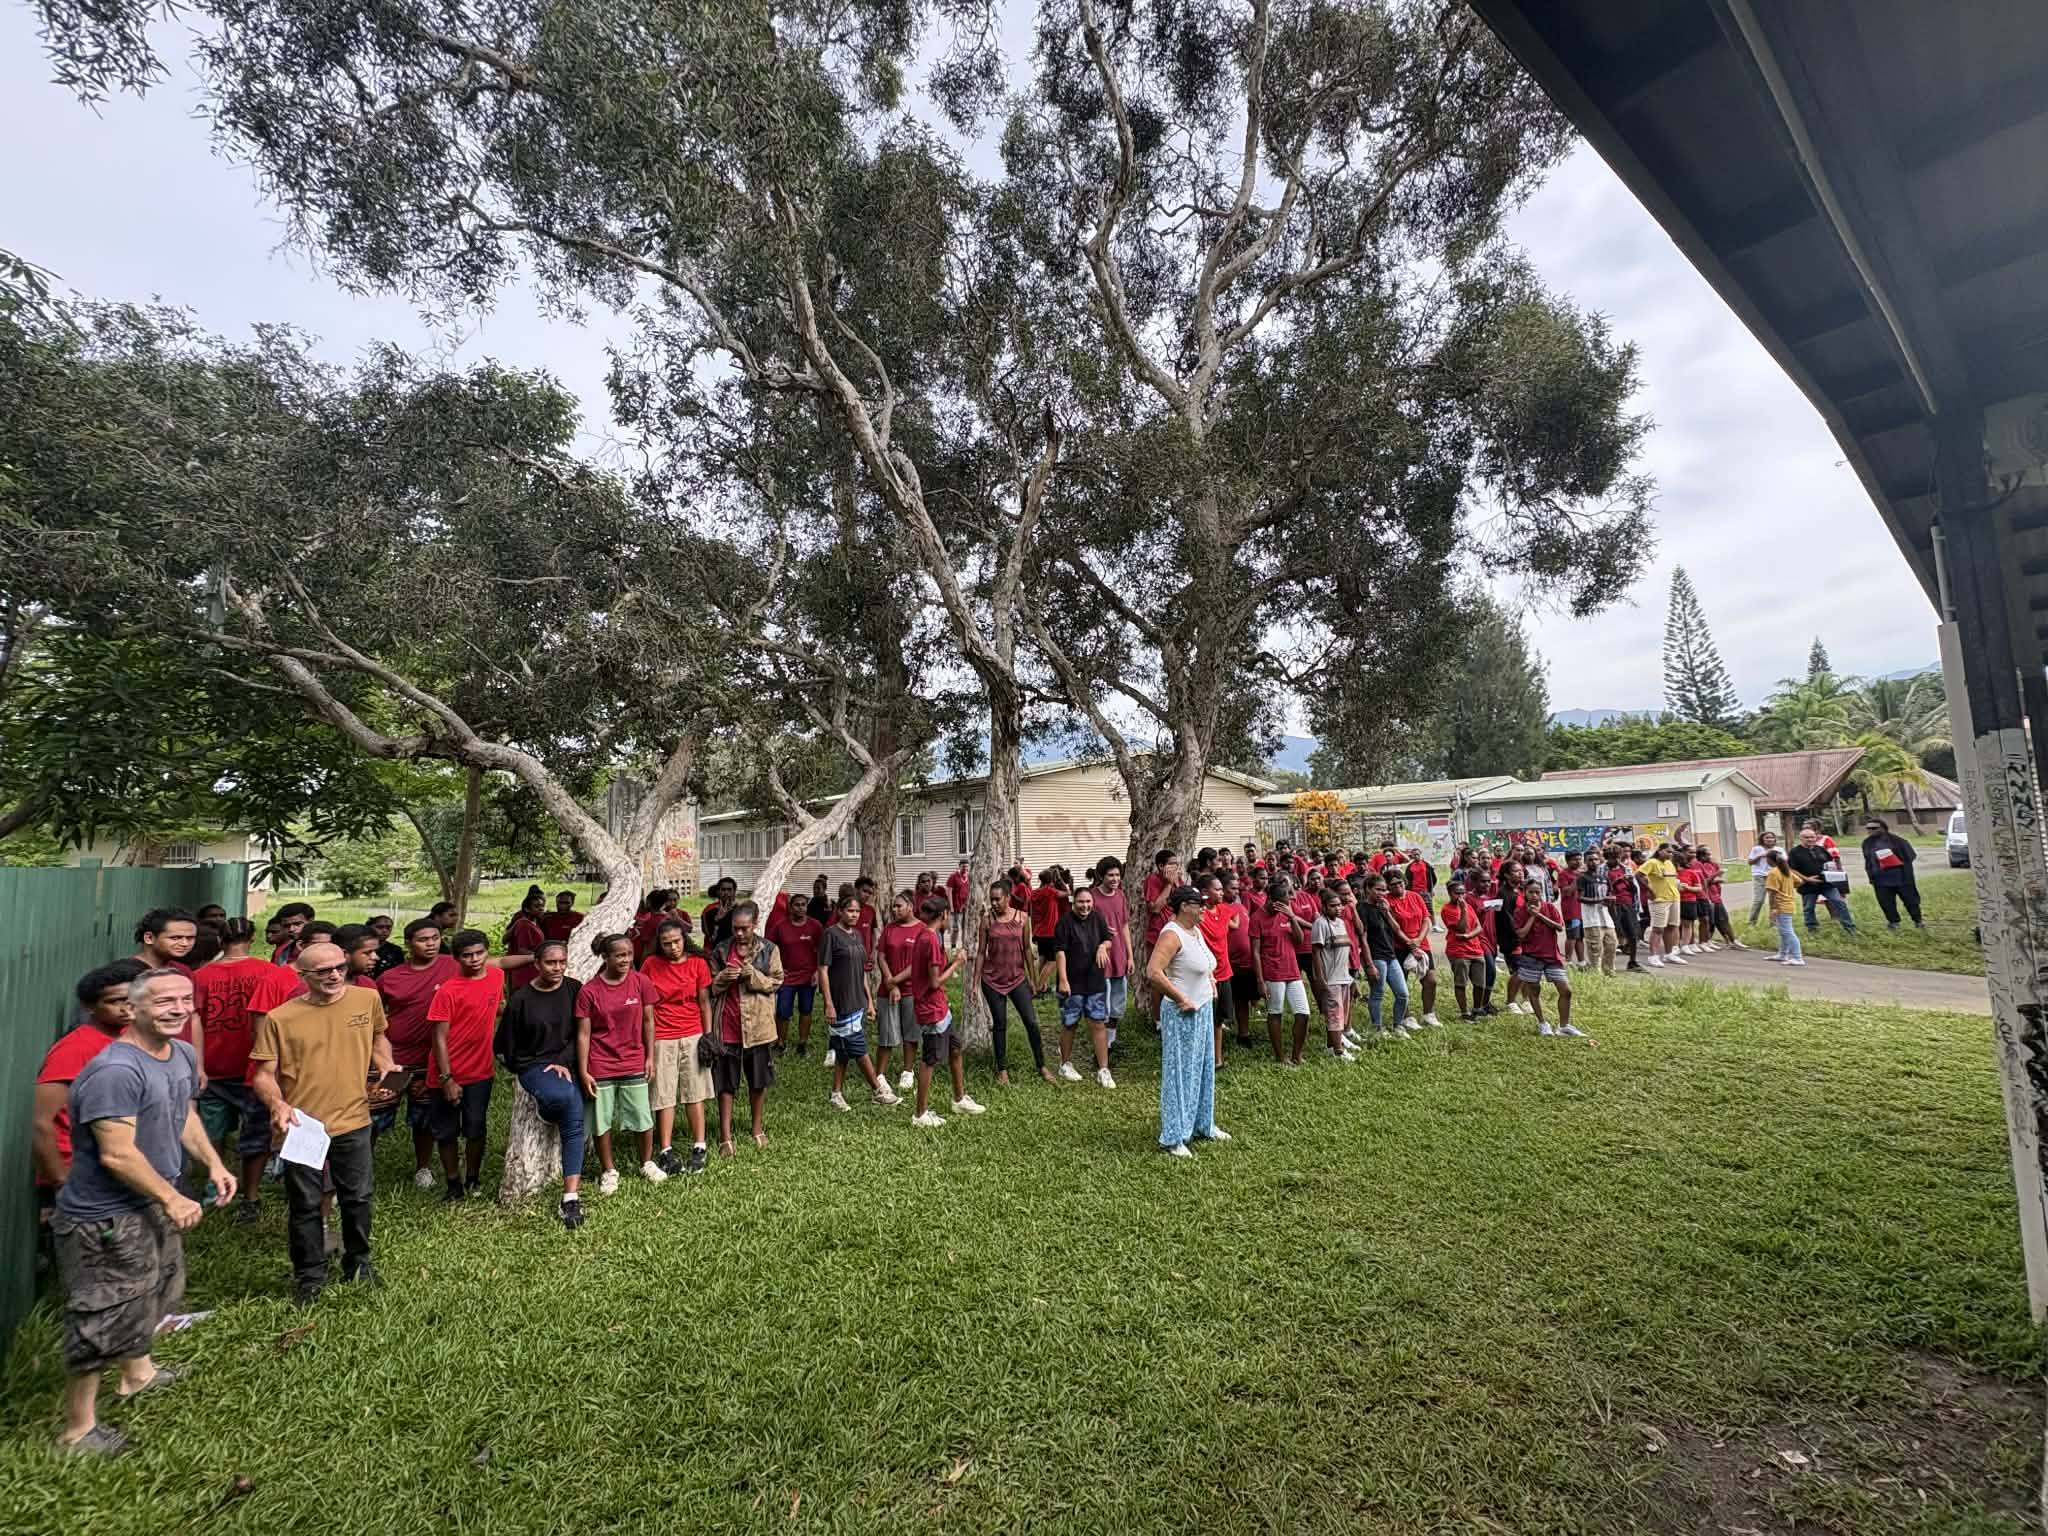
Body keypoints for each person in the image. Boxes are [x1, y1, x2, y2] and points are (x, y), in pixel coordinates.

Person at [50, 966, 231, 1455]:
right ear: (133, 1009)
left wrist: (214, 1163)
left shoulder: (180, 1053)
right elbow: (116, 1154)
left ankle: (138, 1375)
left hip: (151, 1200)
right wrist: (172, 1197)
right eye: (164, 1001)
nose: (179, 1009)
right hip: (105, 1217)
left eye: (185, 999)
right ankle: (77, 1431)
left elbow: (182, 1113)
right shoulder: (115, 1071)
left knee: (150, 1290)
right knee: (101, 1312)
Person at [248, 943, 395, 1306]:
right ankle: (309, 1276)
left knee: (358, 1197)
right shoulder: (280, 1018)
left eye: (340, 967)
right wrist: (277, 1103)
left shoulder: (366, 1000)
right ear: (303, 976)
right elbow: (263, 1075)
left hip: (354, 1117)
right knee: (306, 1204)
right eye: (323, 971)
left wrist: (386, 1066)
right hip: (303, 1125)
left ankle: (358, 1262)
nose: (334, 975)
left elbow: (379, 1039)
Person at [190, 919, 289, 1223]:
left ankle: (215, 1186)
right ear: (252, 938)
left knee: (213, 1132)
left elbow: (194, 1021)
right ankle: (251, 1194)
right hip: (255, 1067)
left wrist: (198, 1064)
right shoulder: (268, 972)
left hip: (213, 1064)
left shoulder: (200, 976)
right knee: (256, 1132)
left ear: (220, 940)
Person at [494, 941, 590, 1227]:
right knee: (565, 1097)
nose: (557, 968)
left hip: (568, 1059)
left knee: (574, 1117)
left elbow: (582, 1032)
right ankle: (547, 1106)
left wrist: (563, 1060)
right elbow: (505, 1047)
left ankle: (570, 1197)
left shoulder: (574, 989)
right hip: (534, 1066)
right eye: (550, 962)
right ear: (537, 964)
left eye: (562, 962)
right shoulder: (521, 999)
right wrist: (527, 1070)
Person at [34, 962, 146, 1206]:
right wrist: (61, 1180)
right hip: (78, 1174)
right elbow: (42, 1122)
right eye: (115, 1001)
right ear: (89, 1007)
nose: (126, 1008)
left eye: (132, 999)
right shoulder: (76, 1049)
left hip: (116, 1166)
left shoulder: (130, 1037)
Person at [423, 930, 509, 1201]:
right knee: (446, 1132)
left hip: (480, 1071)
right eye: (467, 955)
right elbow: (438, 1038)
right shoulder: (448, 991)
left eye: (479, 953)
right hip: (446, 1072)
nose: (474, 959)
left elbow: (495, 1005)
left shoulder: (496, 976)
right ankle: (453, 1183)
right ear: (457, 958)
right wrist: (447, 1078)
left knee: (476, 1128)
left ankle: (473, 1178)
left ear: (487, 952)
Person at [574, 932, 663, 1188]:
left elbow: (649, 1021)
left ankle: (647, 1162)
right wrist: (583, 1071)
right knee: (601, 1121)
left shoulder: (641, 982)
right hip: (601, 1064)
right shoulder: (589, 991)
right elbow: (583, 1034)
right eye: (619, 955)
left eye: (629, 954)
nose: (625, 960)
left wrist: (650, 1057)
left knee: (642, 1115)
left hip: (634, 1060)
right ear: (605, 957)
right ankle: (609, 1170)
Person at [1147, 886, 1226, 1159]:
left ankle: (1203, 1123)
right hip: (1182, 1013)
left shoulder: (1195, 930)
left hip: (1202, 1009)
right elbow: (1153, 972)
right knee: (1179, 1073)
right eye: (1198, 904)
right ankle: (1174, 1136)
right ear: (1183, 906)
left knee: (1203, 1068)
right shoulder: (1172, 934)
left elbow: (1204, 963)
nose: (1204, 908)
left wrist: (1211, 981)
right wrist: (1180, 998)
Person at [640, 919, 716, 1174]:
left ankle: (699, 1145)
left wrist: (708, 1036)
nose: (673, 947)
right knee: (664, 1094)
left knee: (694, 1092)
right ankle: (666, 1149)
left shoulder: (698, 963)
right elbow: (646, 1008)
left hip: (693, 1033)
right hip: (662, 1035)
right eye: (666, 943)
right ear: (659, 944)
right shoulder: (650, 965)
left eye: (676, 941)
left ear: (685, 939)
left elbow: (704, 1002)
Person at [708, 903, 783, 1151]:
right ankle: (725, 1136)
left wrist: (751, 974)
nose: (739, 933)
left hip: (758, 1026)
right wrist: (723, 978)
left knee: (757, 1081)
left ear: (755, 925)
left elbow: (776, 982)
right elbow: (709, 987)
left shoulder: (769, 949)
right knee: (726, 1083)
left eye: (745, 928)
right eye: (735, 928)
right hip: (727, 1024)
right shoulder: (721, 950)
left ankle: (757, 1129)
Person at [818, 892, 899, 1111]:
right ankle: (878, 1091)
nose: (854, 915)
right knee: (858, 1047)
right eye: (850, 911)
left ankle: (836, 1094)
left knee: (843, 1050)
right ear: (840, 911)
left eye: (857, 911)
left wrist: (869, 1000)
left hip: (857, 1001)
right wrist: (828, 1003)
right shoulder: (830, 935)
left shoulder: (857, 935)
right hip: (840, 1001)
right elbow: (823, 970)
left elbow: (861, 971)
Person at [906, 894, 979, 1127]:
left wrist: (951, 961)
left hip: (940, 1006)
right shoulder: (930, 940)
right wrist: (958, 963)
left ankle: (959, 1099)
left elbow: (932, 973)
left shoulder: (926, 935)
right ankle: (920, 1114)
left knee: (955, 1049)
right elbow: (935, 982)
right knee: (930, 1059)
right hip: (931, 1010)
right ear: (944, 915)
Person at [976, 878, 1048, 1086]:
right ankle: (1002, 1069)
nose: (994, 903)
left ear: (1008, 898)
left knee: (1031, 1022)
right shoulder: (987, 920)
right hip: (992, 980)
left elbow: (1027, 950)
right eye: (991, 899)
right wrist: (974, 983)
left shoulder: (1022, 918)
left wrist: (1033, 979)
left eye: (997, 899)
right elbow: (981, 952)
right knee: (1000, 1024)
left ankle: (1042, 1065)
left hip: (1017, 979)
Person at [1052, 881, 1116, 1088]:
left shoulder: (1098, 918)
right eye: (1081, 902)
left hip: (1095, 980)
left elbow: (1108, 939)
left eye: (1088, 901)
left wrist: (1103, 947)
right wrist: (1063, 980)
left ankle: (1103, 1069)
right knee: (1070, 1022)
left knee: (1098, 1022)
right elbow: (1060, 952)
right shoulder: (1064, 923)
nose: (1085, 906)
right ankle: (1065, 1064)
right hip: (1072, 982)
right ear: (1074, 902)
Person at [1251, 874, 1311, 1064]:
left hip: (1292, 970)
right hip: (1273, 972)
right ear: (1270, 900)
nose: (1286, 906)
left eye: (1287, 903)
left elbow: (1299, 940)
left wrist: (1292, 917)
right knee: (1275, 1013)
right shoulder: (1257, 918)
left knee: (1303, 1013)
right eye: (1282, 903)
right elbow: (1255, 952)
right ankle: (1280, 1056)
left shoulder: (1286, 913)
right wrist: (1260, 981)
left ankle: (1296, 1055)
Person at [1513, 881, 1585, 1037]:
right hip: (1531, 957)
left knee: (1566, 991)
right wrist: (1532, 917)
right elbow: (1521, 934)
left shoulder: (1550, 907)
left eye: (1537, 892)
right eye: (1531, 892)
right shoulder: (1519, 912)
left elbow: (1559, 927)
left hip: (1552, 955)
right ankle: (1542, 1023)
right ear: (1524, 893)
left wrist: (1538, 915)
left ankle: (1564, 1026)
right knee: (1534, 990)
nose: (1534, 895)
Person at [874, 891, 923, 1094]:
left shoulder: (922, 930)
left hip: (912, 990)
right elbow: (881, 956)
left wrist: (896, 980)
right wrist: (891, 984)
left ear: (910, 906)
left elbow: (918, 962)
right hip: (887, 991)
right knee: (886, 1033)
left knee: (911, 1034)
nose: (895, 909)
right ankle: (879, 1075)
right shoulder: (890, 928)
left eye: (899, 906)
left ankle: (908, 1071)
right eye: (893, 906)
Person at [767, 891, 824, 1057]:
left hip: (808, 977)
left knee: (806, 1010)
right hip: (787, 977)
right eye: (797, 905)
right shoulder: (781, 926)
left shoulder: (815, 926)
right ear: (790, 907)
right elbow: (769, 947)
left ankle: (802, 1043)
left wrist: (817, 971)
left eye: (803, 905)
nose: (800, 908)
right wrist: (776, 969)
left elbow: (822, 949)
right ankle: (780, 1043)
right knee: (783, 1011)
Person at [1197, 873, 1245, 1063]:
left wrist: (1233, 922)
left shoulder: (1224, 909)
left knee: (1218, 1020)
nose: (1221, 892)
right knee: (1203, 1019)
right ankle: (1202, 1058)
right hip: (1204, 976)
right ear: (1204, 892)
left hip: (1223, 972)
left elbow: (1234, 918)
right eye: (1217, 889)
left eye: (1221, 889)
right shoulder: (1198, 914)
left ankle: (1217, 1059)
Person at [1309, 886, 1360, 1062]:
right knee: (1334, 1015)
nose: (1338, 908)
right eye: (1333, 905)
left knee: (1341, 1014)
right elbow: (1316, 953)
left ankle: (1331, 1046)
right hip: (1330, 978)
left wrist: (1350, 978)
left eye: (1339, 905)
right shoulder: (1321, 924)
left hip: (1343, 976)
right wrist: (1320, 978)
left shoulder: (1341, 923)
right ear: (1324, 907)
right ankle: (1339, 1051)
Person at [1360, 875, 1412, 1040]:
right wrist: (1369, 964)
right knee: (1377, 993)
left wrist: (1387, 912)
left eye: (1384, 890)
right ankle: (1377, 1028)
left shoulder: (1383, 907)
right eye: (1378, 889)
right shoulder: (1362, 908)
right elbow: (1363, 938)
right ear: (1368, 889)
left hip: (1391, 955)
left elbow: (1396, 929)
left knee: (1403, 994)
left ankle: (1398, 1025)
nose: (1382, 893)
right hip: (1376, 957)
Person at [1387, 874, 1441, 1027]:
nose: (1398, 886)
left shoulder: (1415, 896)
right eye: (1393, 884)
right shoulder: (1386, 901)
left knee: (1431, 980)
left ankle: (1428, 1014)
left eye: (1400, 882)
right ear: (1388, 886)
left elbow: (1426, 919)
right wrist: (1408, 942)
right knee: (1401, 983)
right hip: (1399, 947)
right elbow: (1393, 926)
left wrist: (1418, 939)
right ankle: (1406, 1016)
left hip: (1421, 944)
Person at [1092, 858, 1132, 1041]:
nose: (1115, 879)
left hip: (1119, 955)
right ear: (1101, 876)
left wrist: (1130, 956)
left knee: (1118, 1003)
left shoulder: (1120, 896)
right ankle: (1100, 1044)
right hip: (1100, 957)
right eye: (1110, 875)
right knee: (1102, 1004)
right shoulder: (1092, 897)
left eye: (1117, 875)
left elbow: (1124, 926)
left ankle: (1109, 1042)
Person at [1790, 826, 1857, 933]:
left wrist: (1835, 874)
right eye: (1806, 837)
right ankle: (1812, 929)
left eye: (1812, 837)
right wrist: (1806, 879)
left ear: (1815, 838)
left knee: (1839, 902)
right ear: (1801, 838)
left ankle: (1850, 928)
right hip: (1808, 885)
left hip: (1826, 884)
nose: (1810, 839)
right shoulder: (1794, 852)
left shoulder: (1820, 849)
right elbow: (1792, 869)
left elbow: (1831, 863)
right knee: (1809, 908)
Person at [1219, 869, 1258, 1048]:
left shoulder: (1240, 906)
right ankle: (1233, 1033)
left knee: (1244, 999)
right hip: (1230, 963)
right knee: (1232, 1000)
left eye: (1237, 888)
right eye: (1232, 889)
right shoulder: (1219, 909)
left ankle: (1244, 1032)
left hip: (1247, 961)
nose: (1236, 892)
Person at [1439, 878, 1489, 1019]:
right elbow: (1461, 927)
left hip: (1475, 949)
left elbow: (1478, 927)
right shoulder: (1447, 909)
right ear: (1450, 893)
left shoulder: (1468, 906)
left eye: (1463, 893)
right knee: (1461, 983)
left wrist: (1468, 936)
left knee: (1480, 983)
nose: (1461, 896)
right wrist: (1463, 910)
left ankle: (1477, 1008)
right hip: (1458, 951)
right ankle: (1464, 1012)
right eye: (1457, 893)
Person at [1861, 817, 1924, 929]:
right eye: (1868, 828)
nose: (1870, 830)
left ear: (1883, 828)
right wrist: (1871, 874)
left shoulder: (1898, 841)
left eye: (1874, 828)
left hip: (1901, 877)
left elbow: (1911, 856)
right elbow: (1868, 860)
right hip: (1880, 879)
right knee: (1886, 903)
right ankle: (1893, 922)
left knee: (1910, 900)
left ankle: (1918, 921)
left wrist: (1893, 860)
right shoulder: (1867, 843)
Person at [1141, 850, 1182, 1021]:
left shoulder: (1178, 880)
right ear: (1160, 866)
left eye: (1176, 864)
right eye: (1171, 864)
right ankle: (1157, 1019)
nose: (1175, 867)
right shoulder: (1152, 880)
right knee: (1159, 979)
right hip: (1157, 936)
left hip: (1176, 935)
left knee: (1175, 977)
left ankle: (1174, 1014)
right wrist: (1167, 885)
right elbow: (1156, 908)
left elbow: (1182, 902)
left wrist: (1175, 884)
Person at [1639, 844, 1684, 967]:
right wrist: (1649, 890)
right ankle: (1653, 956)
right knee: (1658, 928)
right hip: (1659, 900)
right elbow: (1638, 875)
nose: (1670, 854)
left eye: (1671, 852)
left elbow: (1671, 880)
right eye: (1668, 851)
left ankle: (1669, 954)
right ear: (1659, 851)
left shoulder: (1670, 863)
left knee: (1672, 926)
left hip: (1674, 898)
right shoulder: (1652, 862)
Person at [1574, 852, 1618, 977]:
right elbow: (1580, 898)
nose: (1593, 862)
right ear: (1585, 862)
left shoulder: (1604, 878)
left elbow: (1609, 894)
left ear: (1600, 861)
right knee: (1595, 948)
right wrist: (1599, 900)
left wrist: (1611, 900)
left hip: (1606, 918)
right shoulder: (1582, 878)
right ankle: (1595, 974)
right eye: (1590, 860)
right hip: (1591, 919)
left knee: (1611, 945)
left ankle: (1609, 971)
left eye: (1596, 859)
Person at [1764, 848, 1807, 964]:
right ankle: (1783, 954)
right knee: (1783, 931)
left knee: (1787, 932)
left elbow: (1772, 893)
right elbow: (1799, 881)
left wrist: (1773, 908)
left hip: (1781, 906)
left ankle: (1797, 957)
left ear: (1769, 860)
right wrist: (1788, 887)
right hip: (1789, 904)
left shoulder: (1773, 873)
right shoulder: (1786, 870)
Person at [503, 889, 548, 992]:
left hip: (532, 969)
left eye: (542, 906)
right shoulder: (523, 924)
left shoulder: (535, 923)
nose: (541, 909)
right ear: (527, 909)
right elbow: (522, 950)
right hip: (524, 971)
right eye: (537, 906)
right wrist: (544, 956)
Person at [944, 858, 971, 953]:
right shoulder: (953, 876)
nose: (965, 868)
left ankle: (964, 947)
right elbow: (949, 892)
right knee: (956, 929)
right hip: (956, 907)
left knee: (965, 928)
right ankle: (953, 948)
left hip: (966, 907)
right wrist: (951, 907)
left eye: (967, 866)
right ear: (959, 866)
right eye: (963, 866)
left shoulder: (969, 877)